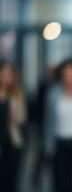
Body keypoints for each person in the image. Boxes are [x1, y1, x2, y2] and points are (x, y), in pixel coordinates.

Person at [43, 58, 72, 192]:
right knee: (60, 183)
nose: (69, 78)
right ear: (61, 76)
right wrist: (47, 147)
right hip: (59, 144)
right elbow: (48, 122)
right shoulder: (53, 94)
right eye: (66, 74)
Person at [0, 59, 27, 192]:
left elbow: (22, 117)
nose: (6, 78)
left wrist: (14, 114)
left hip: (13, 140)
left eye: (8, 74)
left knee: (12, 179)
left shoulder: (17, 93)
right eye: (3, 74)